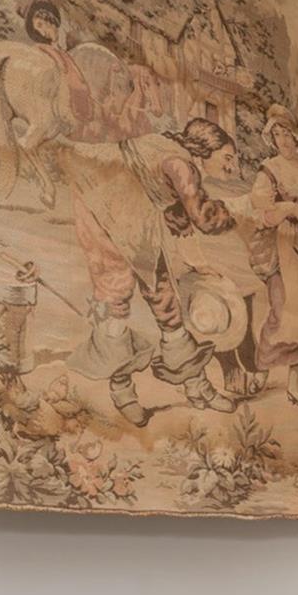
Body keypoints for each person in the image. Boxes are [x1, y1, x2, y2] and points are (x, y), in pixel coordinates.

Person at [63, 117, 242, 423]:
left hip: (131, 212)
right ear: (206, 150)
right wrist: (239, 211)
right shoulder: (182, 165)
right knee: (115, 296)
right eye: (227, 158)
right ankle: (122, 391)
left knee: (163, 295)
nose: (231, 167)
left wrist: (195, 260)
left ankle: (196, 385)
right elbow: (202, 217)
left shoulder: (174, 153)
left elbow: (175, 214)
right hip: (103, 209)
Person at [246, 105, 298, 413]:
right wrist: (289, 210)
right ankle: (262, 374)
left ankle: (294, 385)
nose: (282, 141)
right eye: (276, 135)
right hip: (280, 245)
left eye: (286, 134)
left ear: (295, 136)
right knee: (280, 310)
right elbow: (259, 206)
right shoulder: (269, 168)